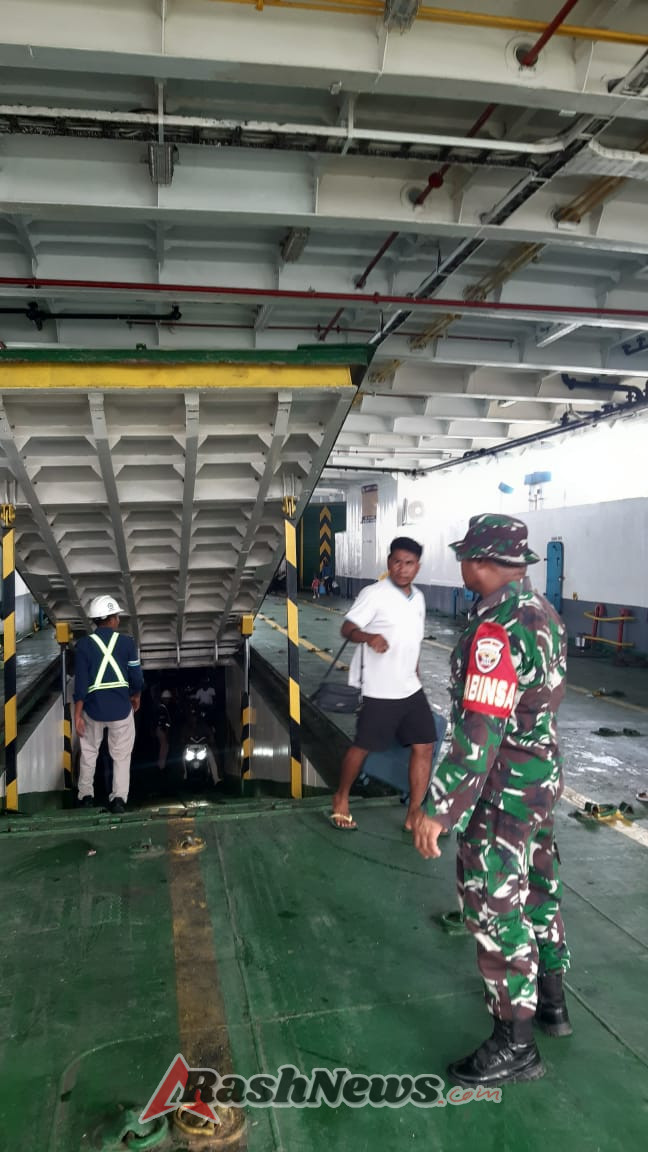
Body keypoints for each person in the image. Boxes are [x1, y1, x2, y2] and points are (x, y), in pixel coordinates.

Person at [410, 514, 571, 1088]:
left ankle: (514, 1044)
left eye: (464, 557)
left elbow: (479, 732)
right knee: (540, 886)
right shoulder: (543, 612)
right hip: (540, 780)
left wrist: (439, 810)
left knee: (495, 904)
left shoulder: (496, 630)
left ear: (479, 562)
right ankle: (552, 1002)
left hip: (503, 791)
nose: (461, 566)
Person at [329, 537, 436, 832]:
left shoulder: (419, 599)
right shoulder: (374, 594)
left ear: (417, 567)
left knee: (425, 746)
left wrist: (416, 674)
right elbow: (347, 628)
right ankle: (341, 798)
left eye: (409, 563)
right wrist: (369, 637)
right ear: (389, 562)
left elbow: (413, 642)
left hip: (410, 688)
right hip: (379, 690)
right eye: (397, 562)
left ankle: (414, 813)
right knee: (363, 747)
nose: (402, 568)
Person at [74, 594, 143, 814]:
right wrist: (136, 695)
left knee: (88, 752)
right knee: (121, 756)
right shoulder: (127, 643)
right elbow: (137, 678)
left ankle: (86, 796)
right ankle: (119, 799)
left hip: (93, 709)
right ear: (112, 619)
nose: (118, 619)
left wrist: (77, 715)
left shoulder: (83, 645)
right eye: (117, 616)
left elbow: (81, 684)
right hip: (121, 709)